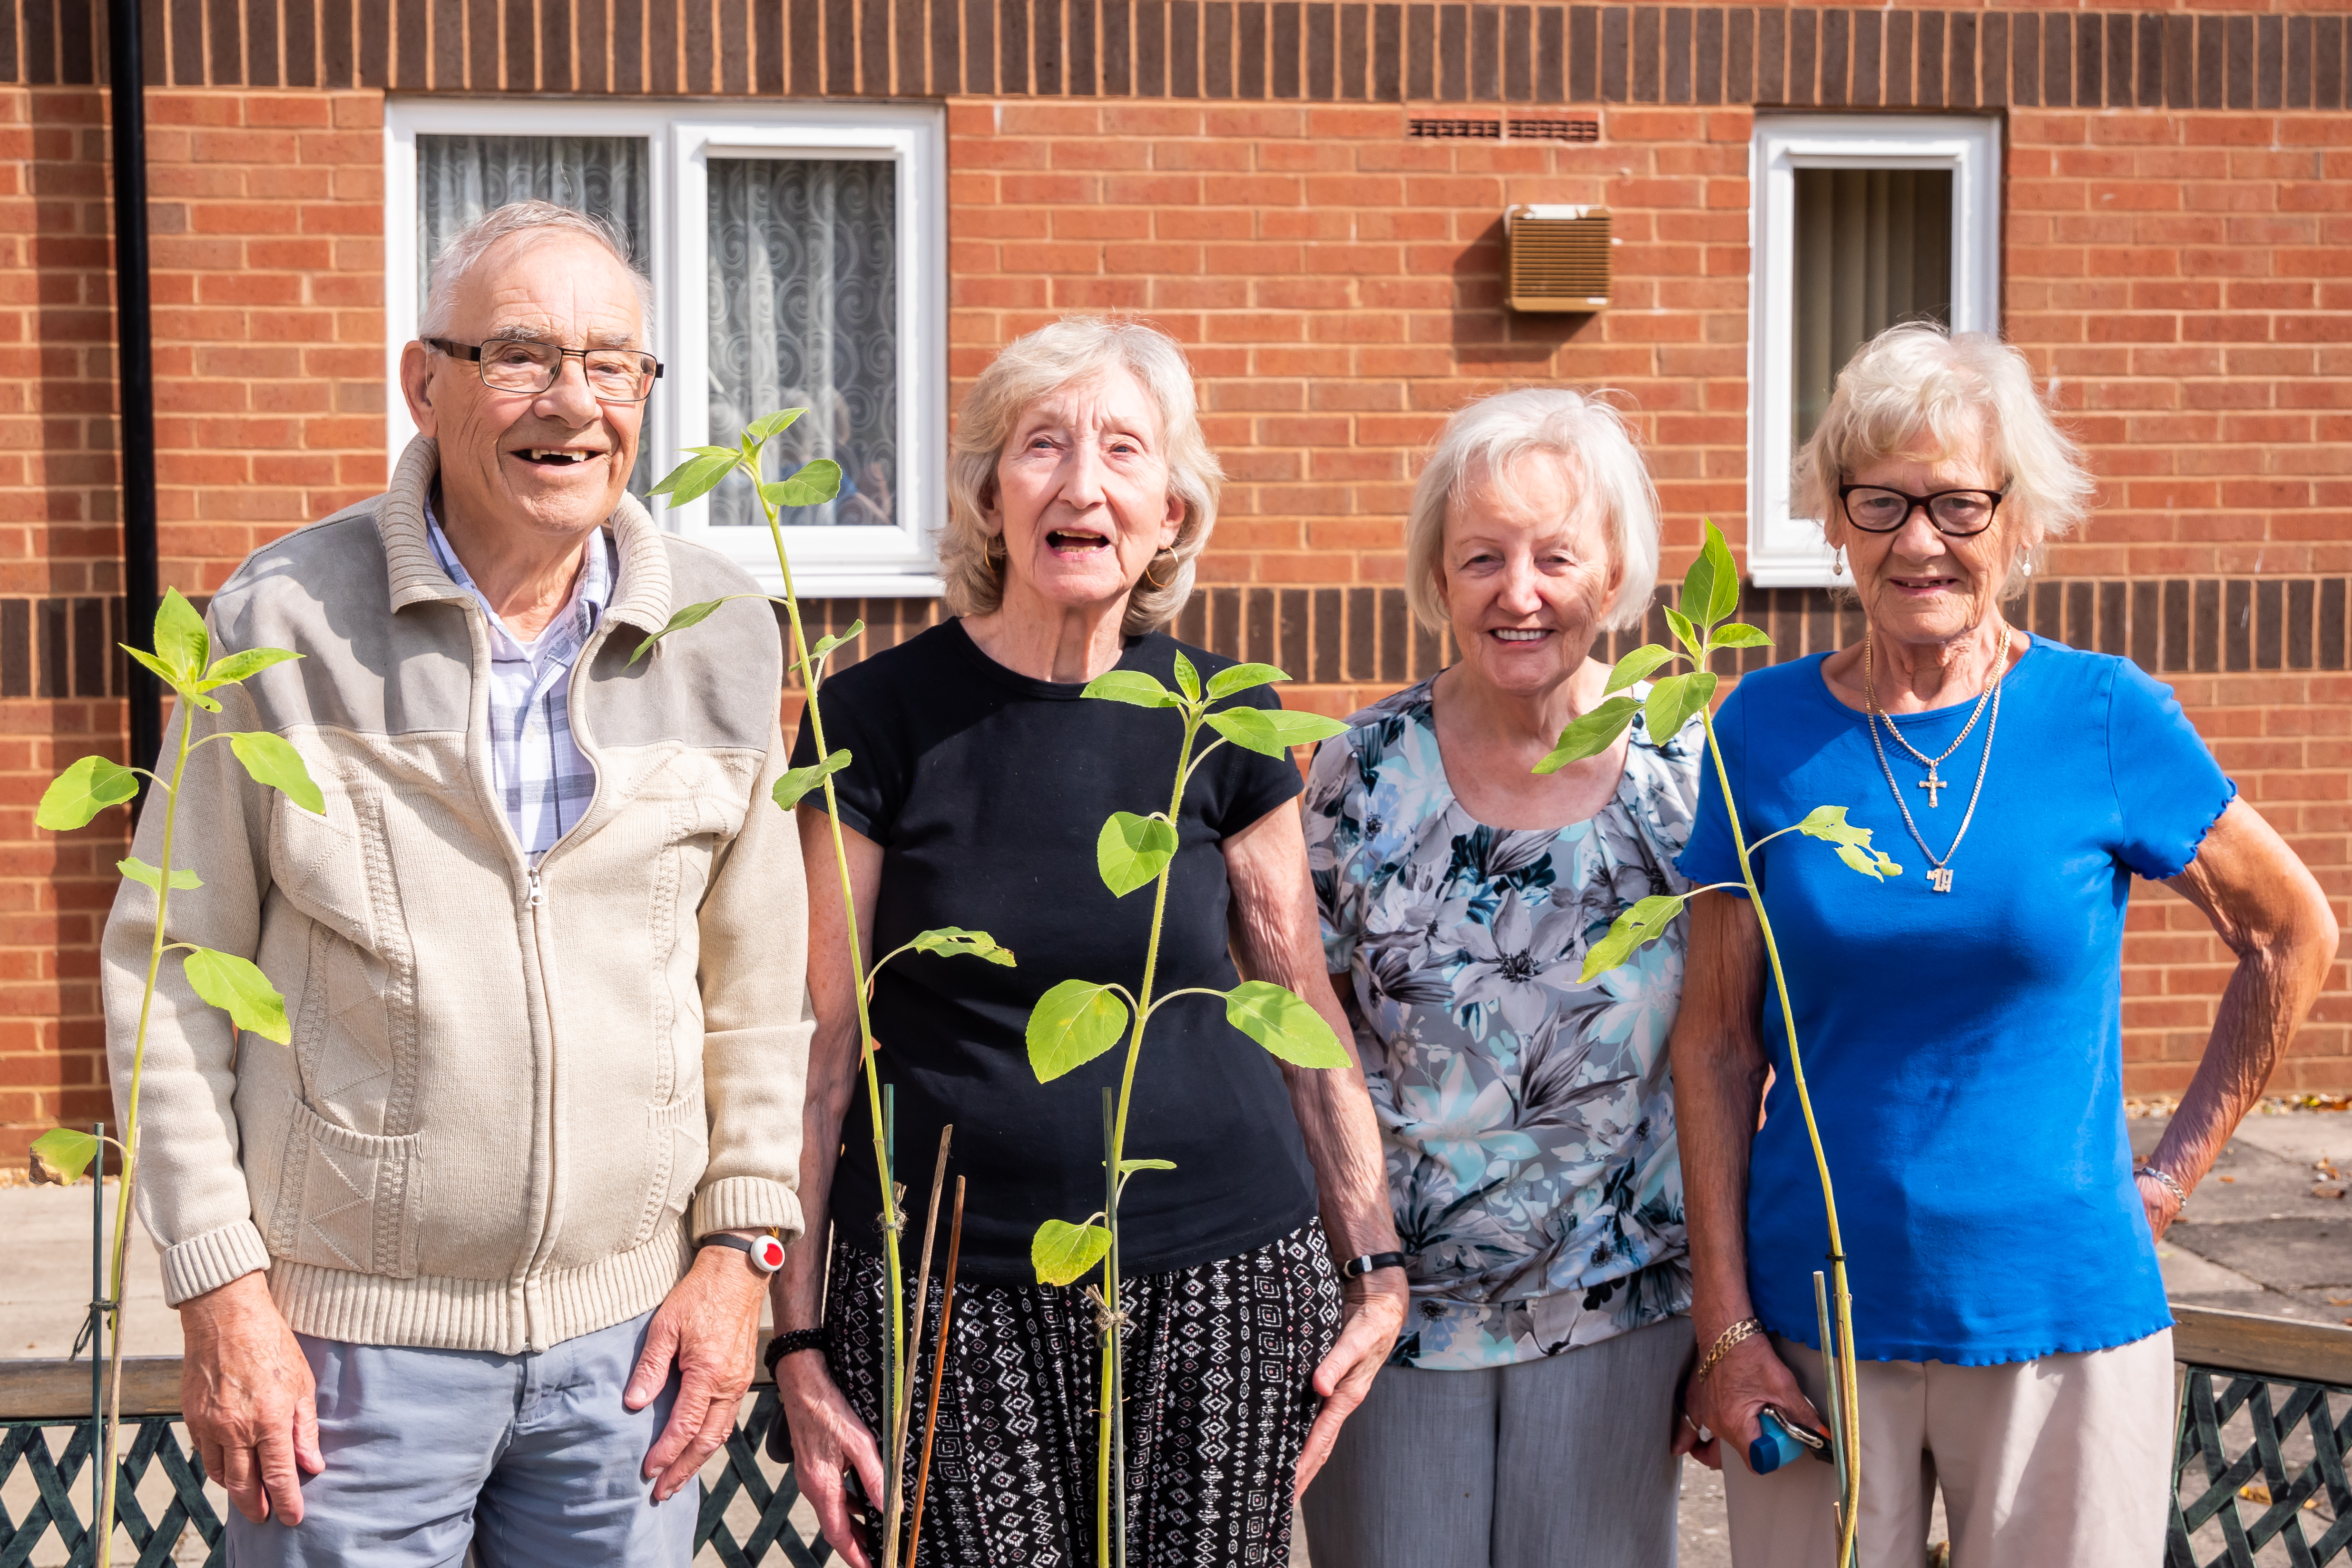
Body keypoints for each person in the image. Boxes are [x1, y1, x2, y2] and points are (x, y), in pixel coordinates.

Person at [102, 200, 814, 1563]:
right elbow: (170, 979)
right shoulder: (281, 622)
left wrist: (740, 1258)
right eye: (524, 355)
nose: (575, 403)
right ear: (425, 382)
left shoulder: (722, 632)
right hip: (347, 1367)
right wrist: (221, 1294)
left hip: (630, 1364)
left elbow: (759, 997)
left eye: (615, 364)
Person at [1672, 323, 2341, 1567]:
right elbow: (1712, 1041)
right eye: (1880, 501)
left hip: (2066, 1321)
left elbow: (2291, 934)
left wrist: (2171, 1174)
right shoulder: (1757, 731)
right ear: (1834, 520)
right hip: (1813, 1324)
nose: (1919, 540)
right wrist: (1723, 1327)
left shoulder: (2102, 718)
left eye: (1959, 503)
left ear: (2019, 521)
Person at [768, 315, 1408, 1567]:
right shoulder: (875, 717)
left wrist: (1374, 1265)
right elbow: (817, 1051)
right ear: (989, 494)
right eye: (1042, 446)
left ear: (1171, 509)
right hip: (943, 1299)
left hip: (1223, 1287)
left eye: (1123, 450)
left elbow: (1301, 1011)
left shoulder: (1223, 716)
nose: (1082, 484)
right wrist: (795, 1343)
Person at [1296, 388, 1702, 1568]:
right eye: (1482, 556)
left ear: (1615, 568)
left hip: (1616, 1311)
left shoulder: (1684, 771)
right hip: (1389, 1316)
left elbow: (1740, 1043)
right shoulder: (1358, 774)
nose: (1518, 592)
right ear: (1437, 572)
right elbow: (1300, 1032)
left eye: (1555, 555)